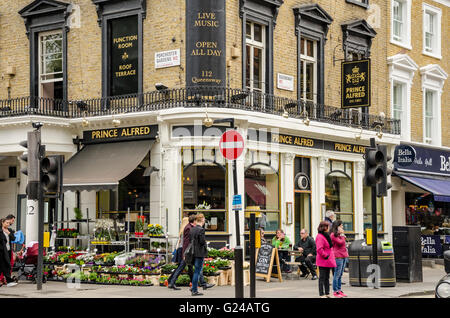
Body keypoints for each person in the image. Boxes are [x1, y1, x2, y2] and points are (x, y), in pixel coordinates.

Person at [168, 214, 214, 291]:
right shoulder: (189, 228)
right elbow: (186, 242)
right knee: (183, 268)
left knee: (191, 269)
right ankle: (172, 282)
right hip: (188, 252)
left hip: (189, 251)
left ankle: (198, 284)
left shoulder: (190, 228)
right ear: (194, 221)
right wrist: (185, 253)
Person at [316, 221, 336, 298]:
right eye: (328, 226)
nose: (329, 228)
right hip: (323, 259)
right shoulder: (320, 236)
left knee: (327, 277)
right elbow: (319, 249)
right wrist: (326, 256)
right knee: (322, 277)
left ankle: (327, 293)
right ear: (324, 227)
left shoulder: (326, 235)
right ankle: (321, 294)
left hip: (328, 260)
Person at [190, 213, 208, 296]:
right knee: (197, 271)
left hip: (193, 252)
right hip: (199, 253)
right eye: (204, 219)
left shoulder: (192, 229)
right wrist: (205, 243)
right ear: (202, 220)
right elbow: (202, 242)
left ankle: (193, 288)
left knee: (195, 271)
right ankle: (194, 290)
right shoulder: (201, 230)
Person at [331, 220, 348, 298]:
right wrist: (342, 235)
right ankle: (335, 291)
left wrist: (342, 235)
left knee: (340, 274)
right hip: (338, 257)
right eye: (341, 226)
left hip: (343, 256)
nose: (342, 227)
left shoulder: (339, 235)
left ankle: (339, 290)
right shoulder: (333, 235)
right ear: (337, 227)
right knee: (336, 275)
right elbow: (340, 242)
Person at [0, 218, 17, 287]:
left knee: (7, 265)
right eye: (6, 223)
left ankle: (9, 280)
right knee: (3, 266)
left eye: (8, 223)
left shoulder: (9, 230)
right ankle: (9, 281)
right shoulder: (0, 231)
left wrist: (9, 233)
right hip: (1, 251)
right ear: (2, 223)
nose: (8, 224)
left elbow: (14, 238)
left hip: (8, 251)